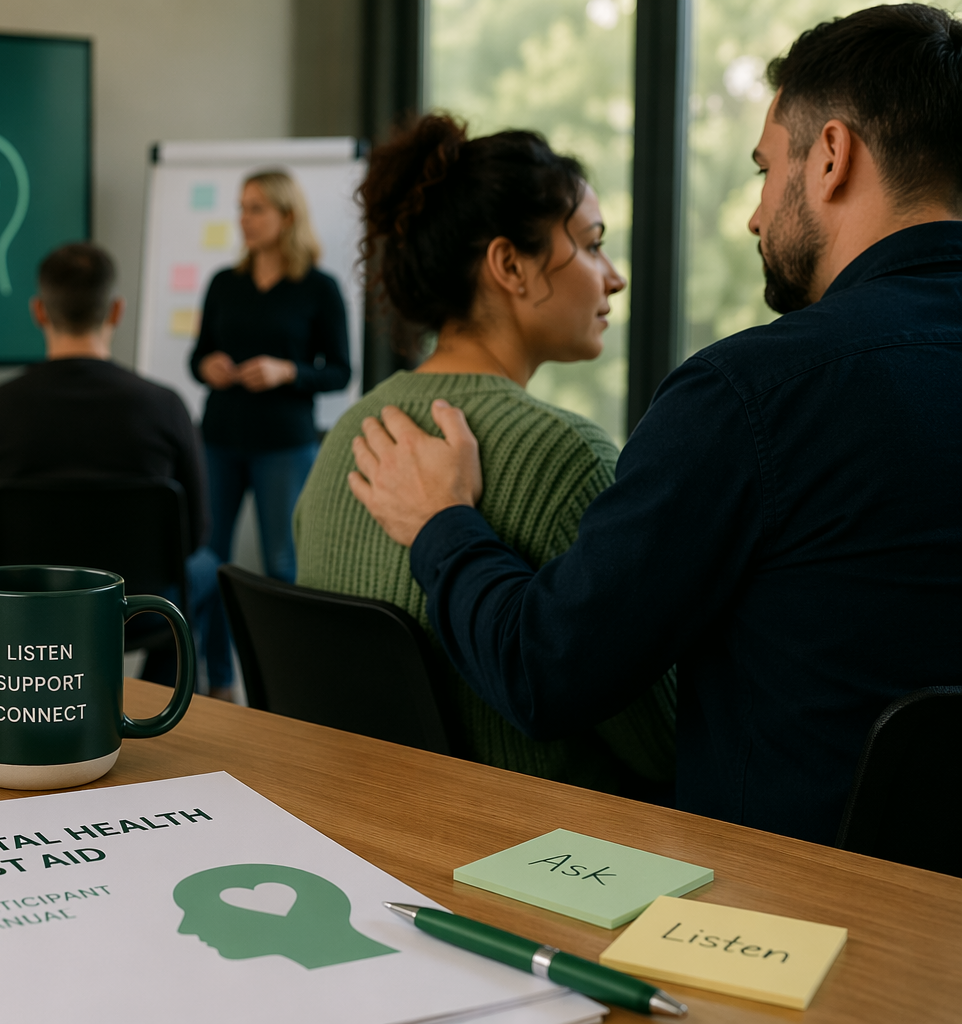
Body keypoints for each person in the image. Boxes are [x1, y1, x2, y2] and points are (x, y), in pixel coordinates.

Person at [347, 4, 962, 844]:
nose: (753, 215)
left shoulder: (752, 394)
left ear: (830, 157)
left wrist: (443, 526)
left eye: (761, 170)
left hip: (784, 932)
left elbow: (548, 672)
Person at [293, 117, 676, 797]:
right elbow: (664, 744)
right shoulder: (567, 456)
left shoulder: (347, 438)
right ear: (509, 266)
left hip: (366, 838)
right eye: (591, 246)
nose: (613, 278)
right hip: (541, 857)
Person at [0, 243, 234, 699]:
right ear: (117, 311)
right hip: (136, 607)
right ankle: (159, 707)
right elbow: (193, 536)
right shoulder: (165, 406)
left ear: (39, 311)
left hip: (28, 610)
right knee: (206, 570)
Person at [189, 170, 351, 584]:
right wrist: (208, 367)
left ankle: (279, 652)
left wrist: (288, 372)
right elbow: (198, 357)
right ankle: (211, 653)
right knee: (208, 561)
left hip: (283, 445)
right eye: (241, 209)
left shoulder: (320, 288)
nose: (244, 219)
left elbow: (340, 372)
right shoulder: (224, 283)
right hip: (219, 438)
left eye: (256, 209)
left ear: (288, 216)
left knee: (283, 564)